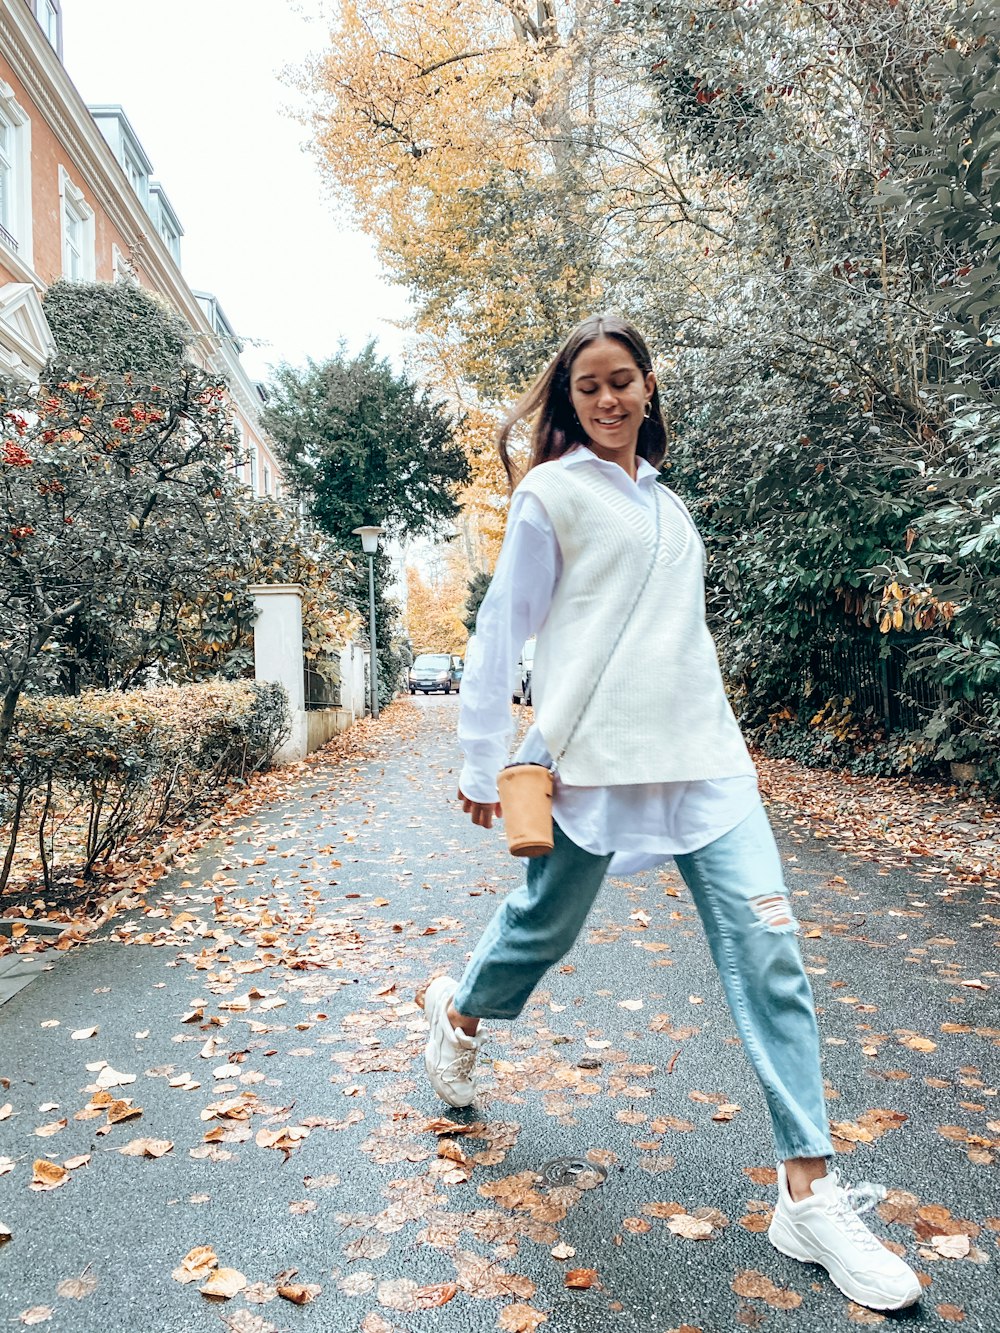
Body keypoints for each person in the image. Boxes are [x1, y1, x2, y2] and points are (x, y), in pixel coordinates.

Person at [419, 314, 920, 1313]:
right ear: (568, 403)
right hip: (591, 766)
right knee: (541, 927)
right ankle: (460, 1012)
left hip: (706, 764)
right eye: (587, 388)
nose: (607, 400)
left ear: (649, 386)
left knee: (771, 950)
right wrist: (484, 759)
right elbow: (498, 632)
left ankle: (807, 1192)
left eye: (622, 381)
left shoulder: (673, 506)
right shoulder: (549, 496)